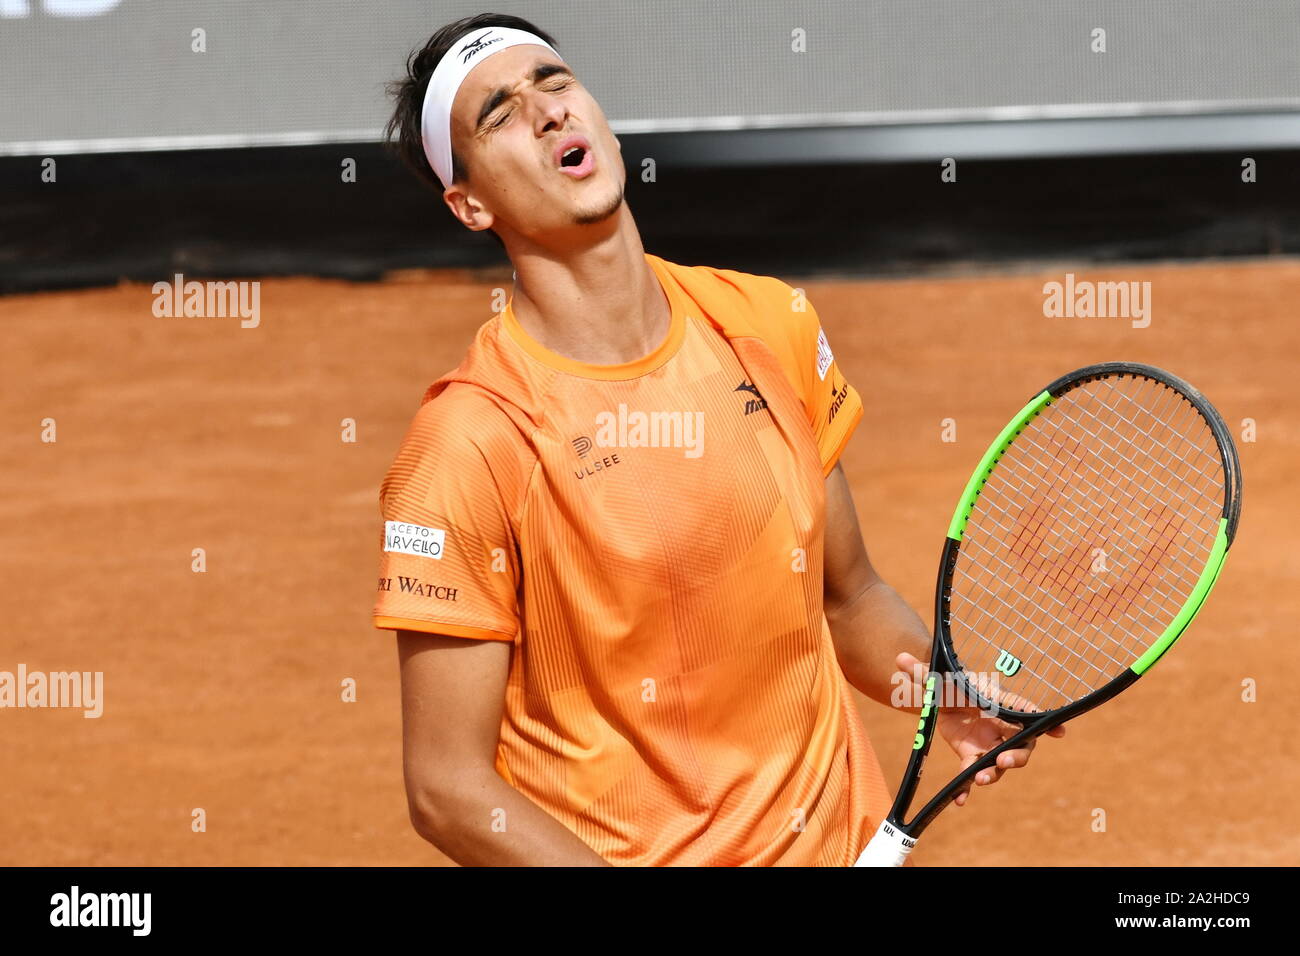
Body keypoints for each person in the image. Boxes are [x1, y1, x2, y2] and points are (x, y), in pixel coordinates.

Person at [374, 12, 1057, 866]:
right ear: (469, 203)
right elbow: (447, 789)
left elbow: (847, 599)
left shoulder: (765, 321)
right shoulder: (469, 444)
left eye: (554, 83)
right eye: (500, 113)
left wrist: (937, 692)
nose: (548, 111)